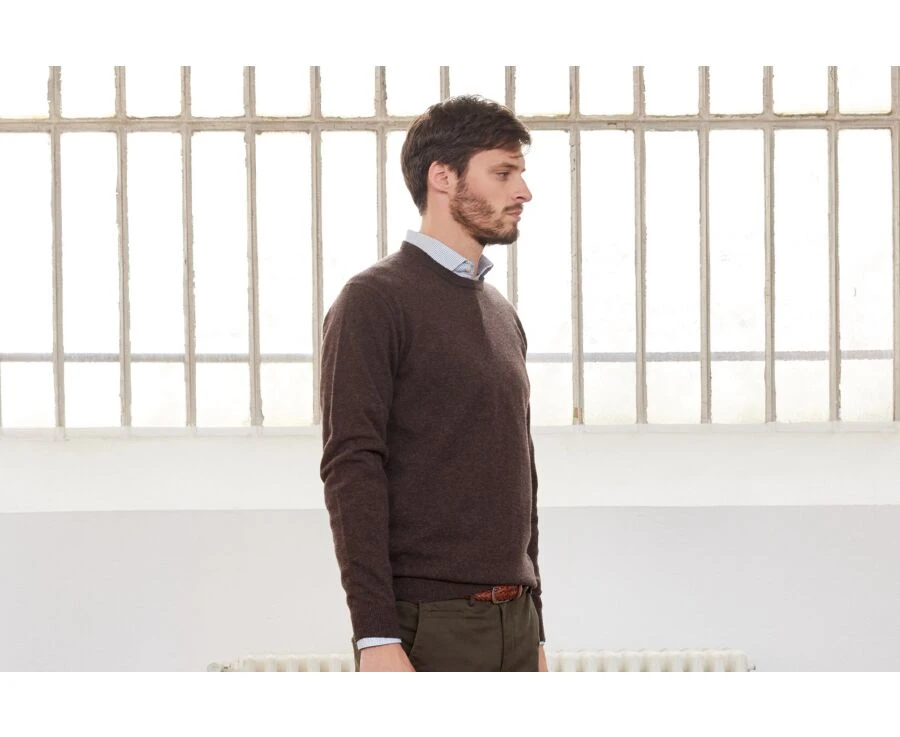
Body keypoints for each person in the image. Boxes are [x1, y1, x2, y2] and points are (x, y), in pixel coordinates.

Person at [319, 95, 546, 672]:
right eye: (503, 173)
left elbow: (521, 473)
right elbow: (351, 466)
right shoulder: (373, 300)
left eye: (520, 173)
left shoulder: (500, 312)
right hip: (429, 622)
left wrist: (536, 627)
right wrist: (374, 635)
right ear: (442, 177)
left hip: (516, 621)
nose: (523, 191)